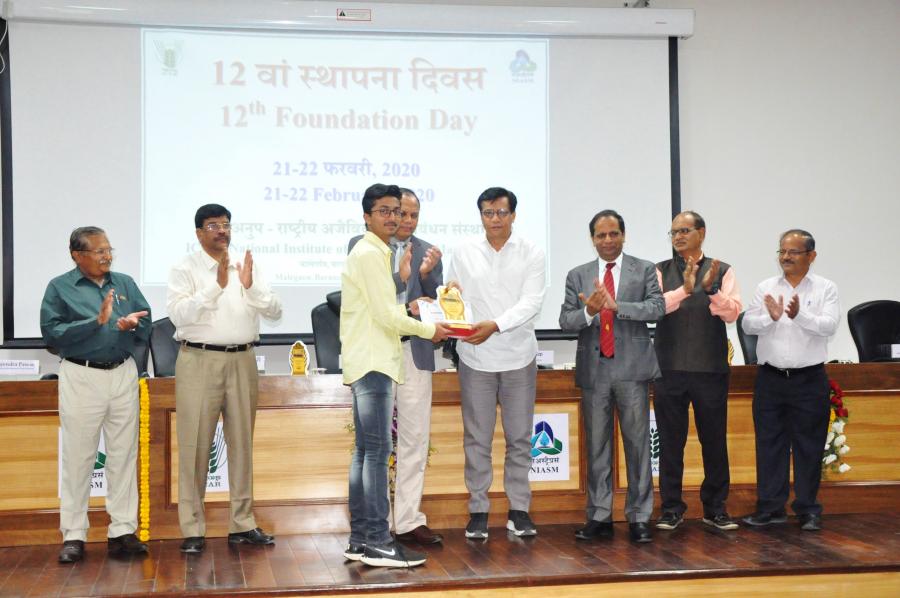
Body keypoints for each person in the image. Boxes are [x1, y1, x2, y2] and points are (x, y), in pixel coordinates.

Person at [341, 184, 450, 567]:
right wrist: (428, 328)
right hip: (377, 356)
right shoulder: (369, 250)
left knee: (369, 451)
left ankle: (363, 538)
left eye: (401, 212)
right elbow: (386, 313)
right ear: (368, 216)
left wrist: (423, 284)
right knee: (375, 452)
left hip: (381, 354)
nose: (397, 218)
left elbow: (390, 307)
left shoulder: (396, 250)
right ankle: (377, 539)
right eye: (388, 211)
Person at [167, 204, 282, 553]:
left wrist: (251, 287)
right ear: (198, 232)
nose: (222, 231)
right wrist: (215, 287)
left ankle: (242, 524)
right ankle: (193, 528)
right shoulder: (184, 268)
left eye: (226, 224)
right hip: (199, 360)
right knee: (195, 444)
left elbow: (275, 310)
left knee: (242, 443)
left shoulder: (245, 265)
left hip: (243, 359)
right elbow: (178, 315)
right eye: (214, 225)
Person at [40, 226, 151, 563]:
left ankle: (123, 531)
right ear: (77, 255)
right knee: (78, 457)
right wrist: (95, 321)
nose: (107, 257)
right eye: (99, 251)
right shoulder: (60, 287)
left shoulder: (125, 283)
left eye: (109, 250)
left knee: (123, 455)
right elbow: (52, 335)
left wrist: (133, 324)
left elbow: (147, 323)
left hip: (122, 372)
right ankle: (74, 534)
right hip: (82, 375)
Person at [444, 187, 546, 539]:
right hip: (475, 357)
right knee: (477, 439)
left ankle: (519, 510)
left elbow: (532, 302)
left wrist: (496, 325)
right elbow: (453, 297)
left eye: (502, 213)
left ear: (513, 215)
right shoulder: (463, 251)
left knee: (520, 439)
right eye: (488, 213)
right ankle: (478, 510)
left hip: (519, 357)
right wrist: (451, 297)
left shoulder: (532, 252)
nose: (495, 219)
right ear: (481, 216)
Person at [559, 210, 664, 543]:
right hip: (595, 371)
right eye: (601, 235)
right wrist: (589, 310)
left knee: (638, 446)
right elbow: (565, 321)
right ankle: (599, 516)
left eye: (613, 233)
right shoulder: (577, 275)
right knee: (597, 447)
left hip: (632, 370)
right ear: (592, 238)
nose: (607, 240)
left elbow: (657, 308)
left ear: (623, 235)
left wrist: (619, 307)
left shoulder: (644, 269)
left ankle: (640, 517)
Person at [741, 229, 839, 531]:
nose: (785, 257)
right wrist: (769, 318)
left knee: (809, 446)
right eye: (782, 251)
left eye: (793, 252)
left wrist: (799, 316)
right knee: (770, 445)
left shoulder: (825, 288)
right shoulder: (767, 287)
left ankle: (808, 509)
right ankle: (771, 508)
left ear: (811, 256)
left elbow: (829, 326)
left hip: (809, 379)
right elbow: (747, 324)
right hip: (770, 379)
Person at [653, 211, 742, 531]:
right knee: (670, 443)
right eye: (674, 232)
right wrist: (686, 289)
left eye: (684, 231)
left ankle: (715, 508)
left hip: (710, 370)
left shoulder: (722, 270)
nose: (678, 237)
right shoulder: (659, 270)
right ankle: (671, 508)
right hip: (669, 370)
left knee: (714, 441)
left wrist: (712, 290)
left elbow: (732, 314)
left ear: (701, 233)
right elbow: (656, 308)